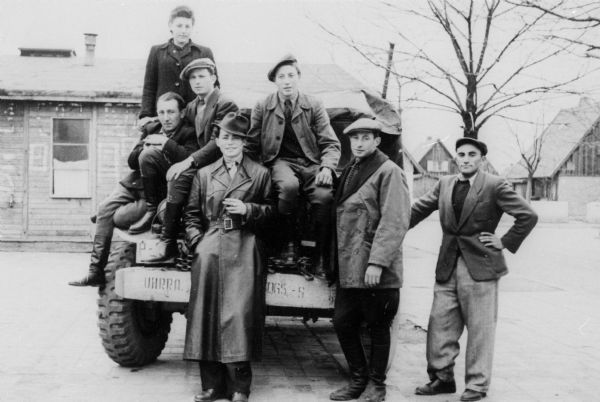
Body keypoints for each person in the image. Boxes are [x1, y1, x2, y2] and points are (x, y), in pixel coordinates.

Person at [411, 138, 538, 401]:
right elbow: (417, 210)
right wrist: (387, 227)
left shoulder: (494, 185)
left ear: (481, 159)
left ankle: (477, 386)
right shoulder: (444, 184)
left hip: (480, 266)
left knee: (480, 329)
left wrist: (504, 241)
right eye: (461, 154)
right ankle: (442, 378)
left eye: (472, 154)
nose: (466, 158)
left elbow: (528, 215)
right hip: (447, 264)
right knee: (440, 323)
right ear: (455, 158)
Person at [183, 112, 275, 402]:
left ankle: (239, 387)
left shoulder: (260, 174)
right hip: (209, 248)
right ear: (218, 141)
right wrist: (197, 241)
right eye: (226, 137)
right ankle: (211, 386)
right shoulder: (204, 174)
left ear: (244, 142)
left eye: (236, 138)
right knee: (205, 316)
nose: (231, 142)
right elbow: (191, 215)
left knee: (239, 316)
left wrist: (249, 211)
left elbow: (275, 216)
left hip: (245, 248)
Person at [69, 92, 197, 286]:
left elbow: (189, 159)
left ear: (181, 113)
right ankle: (95, 271)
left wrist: (165, 145)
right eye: (161, 112)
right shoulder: (153, 128)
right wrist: (144, 145)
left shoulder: (188, 133)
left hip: (157, 192)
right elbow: (131, 161)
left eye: (171, 112)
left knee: (118, 217)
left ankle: (140, 212)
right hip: (134, 184)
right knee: (104, 208)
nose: (166, 117)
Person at [328, 118, 410, 402]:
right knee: (342, 322)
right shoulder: (352, 168)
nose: (359, 143)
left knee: (377, 326)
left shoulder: (389, 171)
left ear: (377, 140)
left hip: (376, 268)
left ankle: (377, 384)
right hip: (351, 266)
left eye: (366, 137)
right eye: (355, 138)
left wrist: (377, 262)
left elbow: (395, 220)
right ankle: (358, 378)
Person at [246, 54, 340, 276]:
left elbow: (330, 142)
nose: (286, 81)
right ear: (275, 81)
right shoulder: (263, 105)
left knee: (325, 196)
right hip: (279, 162)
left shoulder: (314, 104)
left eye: (291, 75)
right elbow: (251, 142)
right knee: (288, 187)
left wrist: (327, 167)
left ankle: (317, 253)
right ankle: (288, 243)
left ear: (298, 77)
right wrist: (249, 170)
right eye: (281, 77)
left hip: (310, 163)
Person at [148, 58, 238, 262]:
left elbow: (218, 142)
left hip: (221, 162)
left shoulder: (225, 104)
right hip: (200, 162)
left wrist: (188, 161)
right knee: (176, 175)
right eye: (193, 78)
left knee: (179, 176)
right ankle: (169, 237)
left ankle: (170, 239)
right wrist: (151, 126)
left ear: (213, 78)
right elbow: (174, 122)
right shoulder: (191, 106)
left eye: (202, 76)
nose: (197, 82)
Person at [138, 5, 216, 128]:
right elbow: (149, 86)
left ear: (192, 28)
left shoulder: (203, 53)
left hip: (194, 119)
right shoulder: (157, 51)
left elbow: (214, 88)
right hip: (164, 118)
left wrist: (210, 115)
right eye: (179, 26)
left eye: (187, 26)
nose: (183, 30)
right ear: (170, 26)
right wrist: (145, 115)